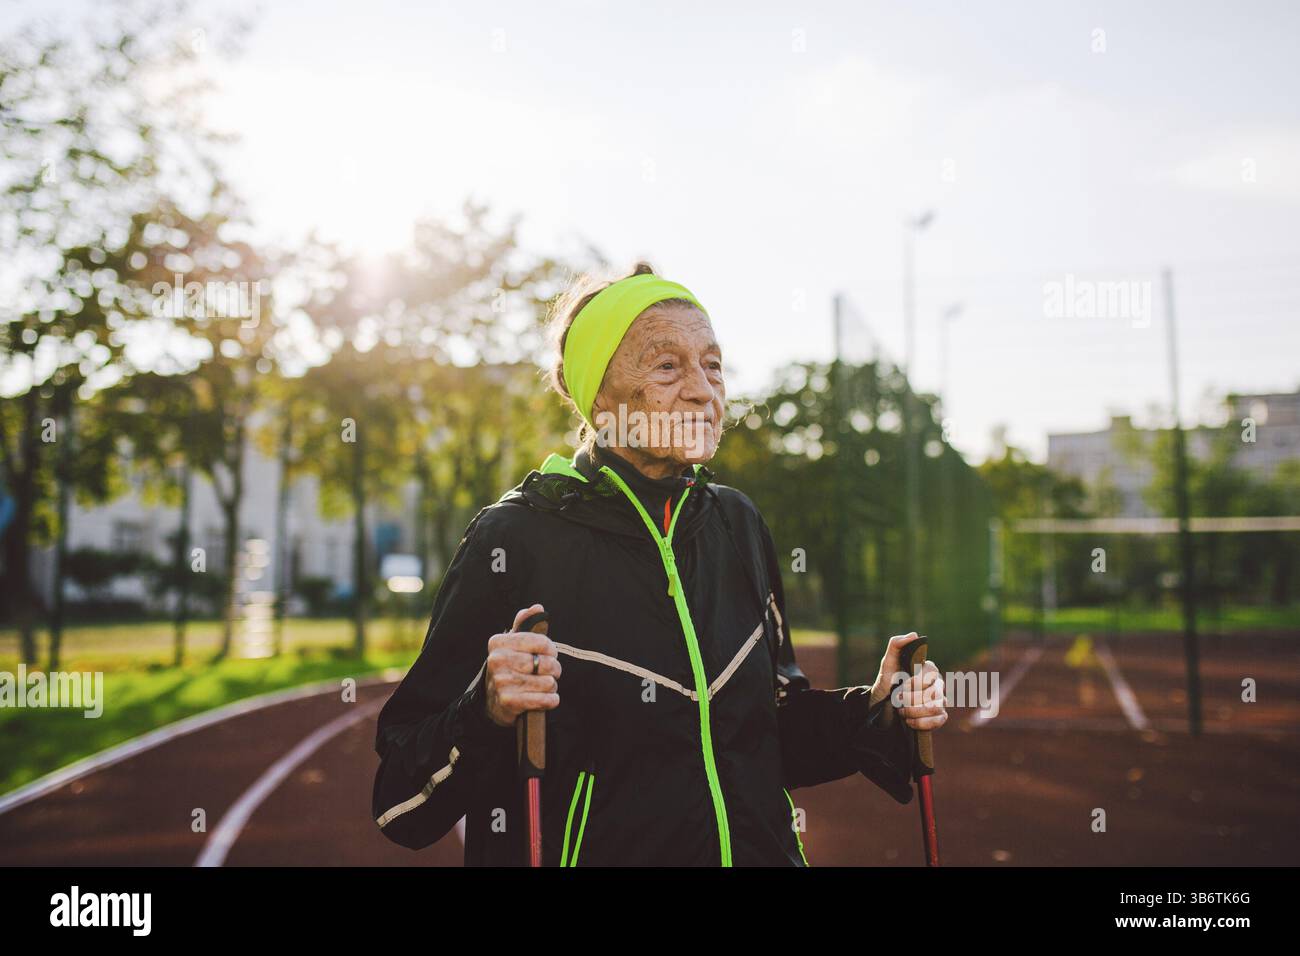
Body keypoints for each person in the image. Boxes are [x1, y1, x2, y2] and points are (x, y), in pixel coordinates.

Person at [371, 262, 948, 866]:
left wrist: (878, 708)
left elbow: (768, 735)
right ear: (601, 399)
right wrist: (485, 708)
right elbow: (400, 802)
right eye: (667, 365)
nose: (703, 389)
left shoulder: (737, 522)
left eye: (714, 366)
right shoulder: (514, 537)